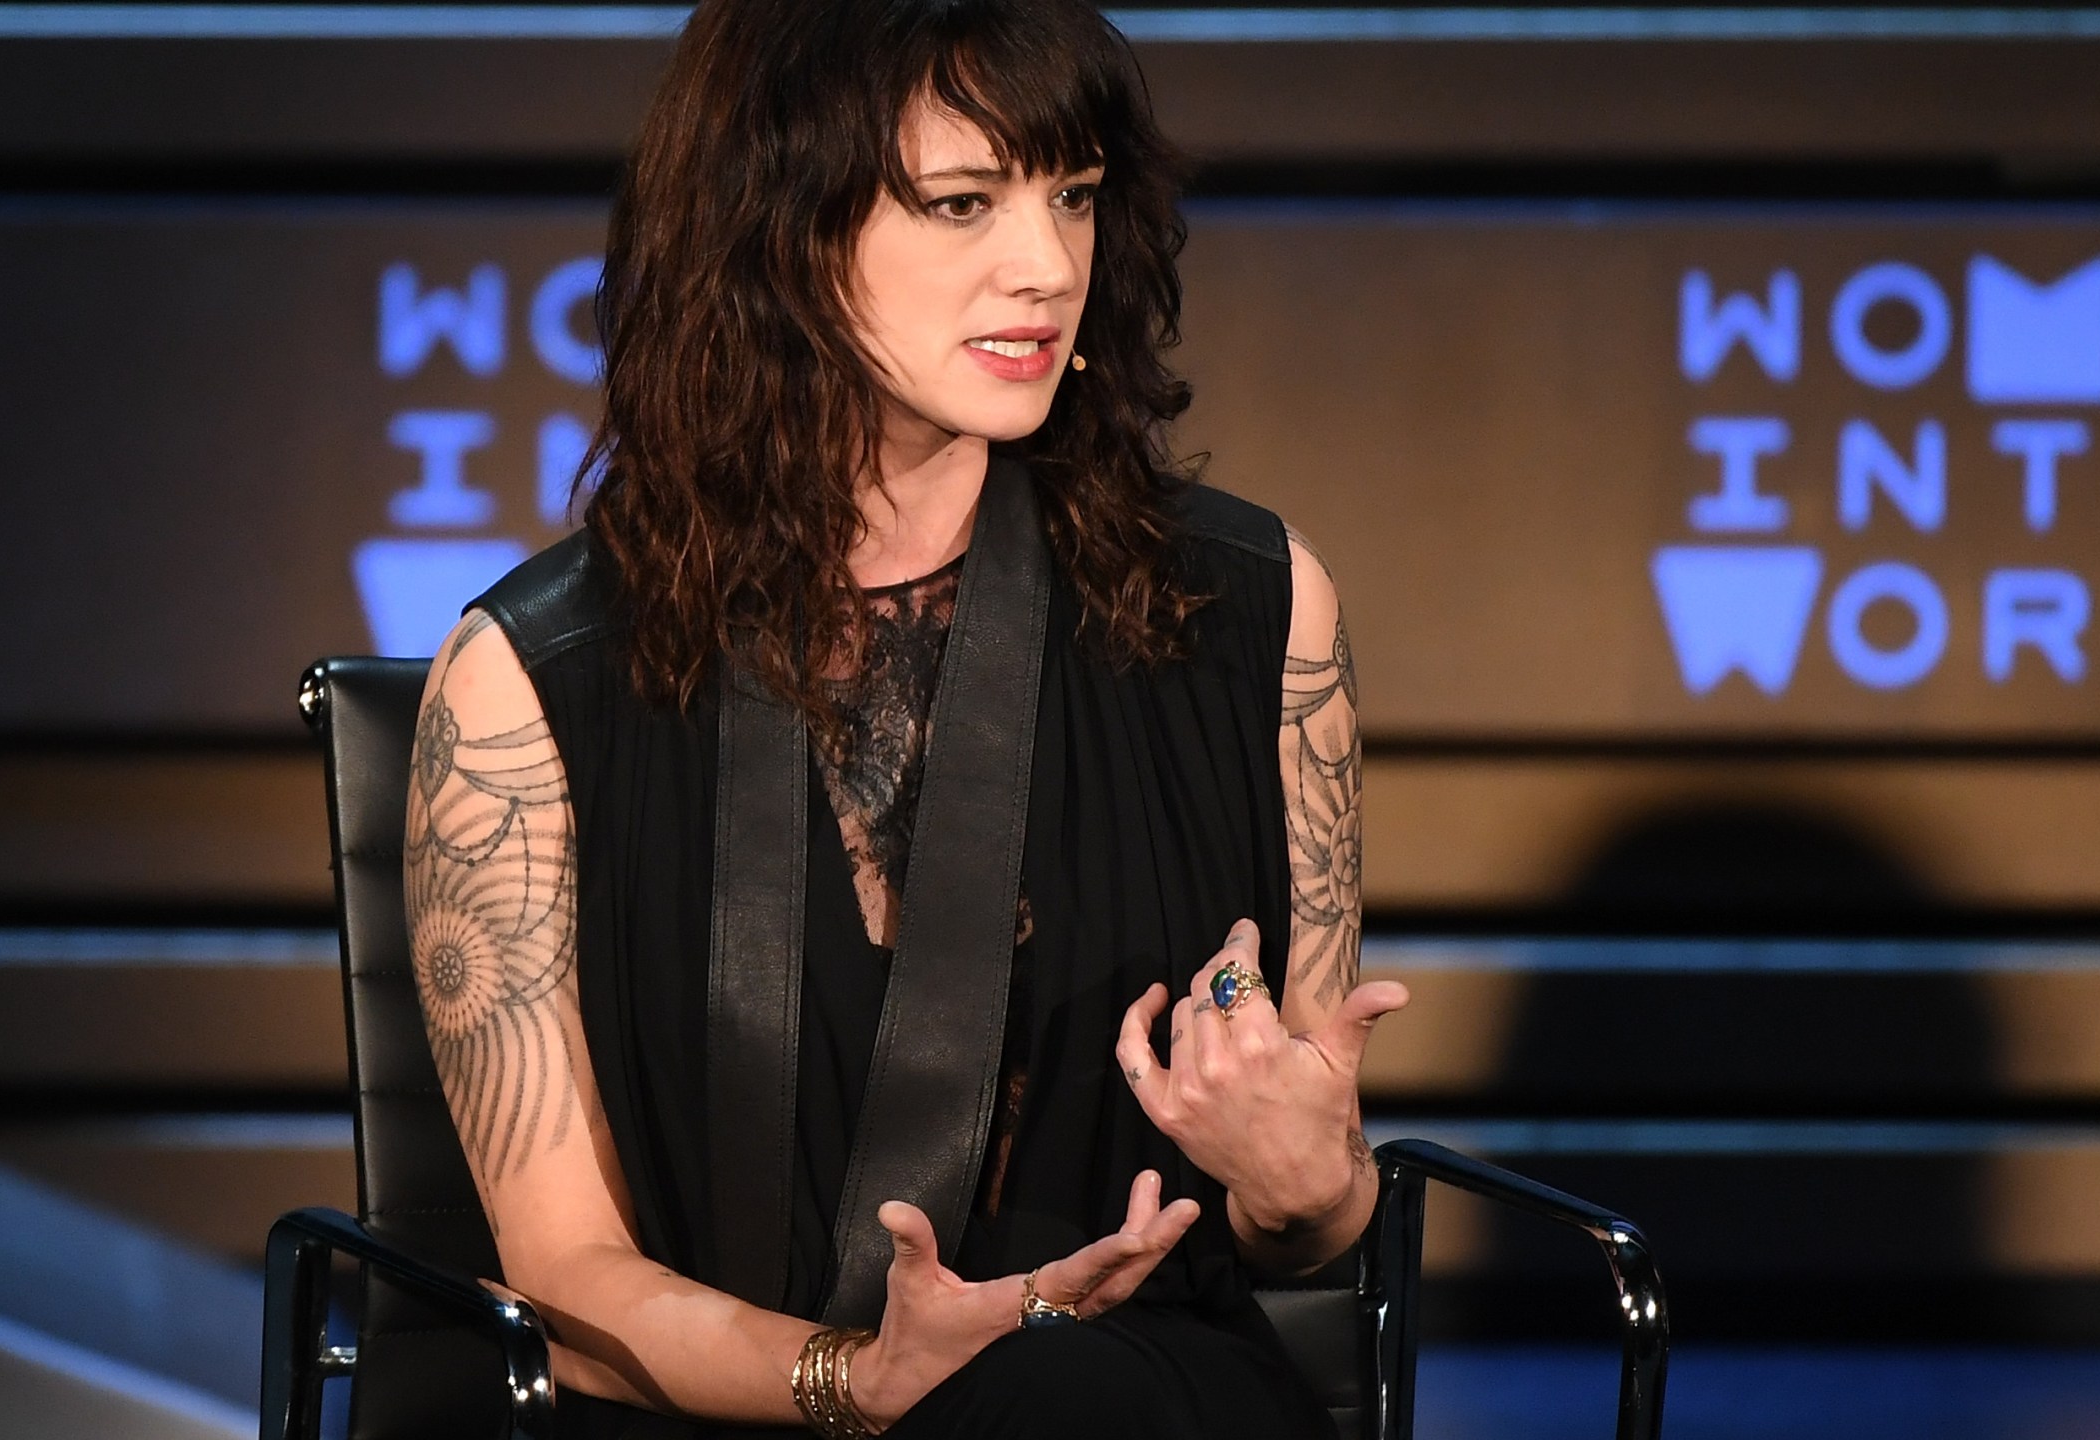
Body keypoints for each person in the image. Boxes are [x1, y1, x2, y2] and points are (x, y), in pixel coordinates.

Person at [400, 0, 1404, 1435]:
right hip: (724, 1407)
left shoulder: (1254, 614)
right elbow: (567, 1278)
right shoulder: (529, 684)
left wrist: (1308, 1188)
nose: (1045, 265)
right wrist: (852, 1381)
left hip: (1132, 1395)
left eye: (1072, 196)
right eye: (960, 203)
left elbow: (1305, 1235)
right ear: (778, 231)